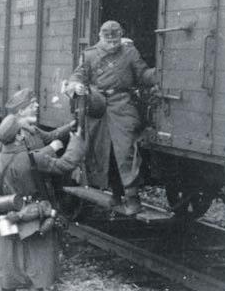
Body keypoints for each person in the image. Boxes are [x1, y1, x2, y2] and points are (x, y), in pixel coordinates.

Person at [0, 115, 85, 291]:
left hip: (6, 220)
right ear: (19, 136)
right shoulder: (32, 159)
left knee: (8, 262)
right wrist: (76, 140)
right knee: (39, 263)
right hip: (36, 218)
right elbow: (66, 164)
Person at [68, 20, 158, 214]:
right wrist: (75, 86)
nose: (111, 43)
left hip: (123, 106)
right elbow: (77, 76)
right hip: (98, 108)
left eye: (115, 39)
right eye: (107, 39)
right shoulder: (90, 55)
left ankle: (133, 197)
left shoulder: (130, 53)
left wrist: (160, 74)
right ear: (100, 36)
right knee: (105, 153)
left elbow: (142, 74)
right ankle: (115, 194)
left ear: (120, 36)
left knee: (126, 151)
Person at [0, 88, 76, 156]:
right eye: (32, 105)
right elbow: (23, 159)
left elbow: (50, 136)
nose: (37, 106)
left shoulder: (32, 129)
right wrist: (51, 148)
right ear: (21, 111)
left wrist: (70, 126)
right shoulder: (15, 135)